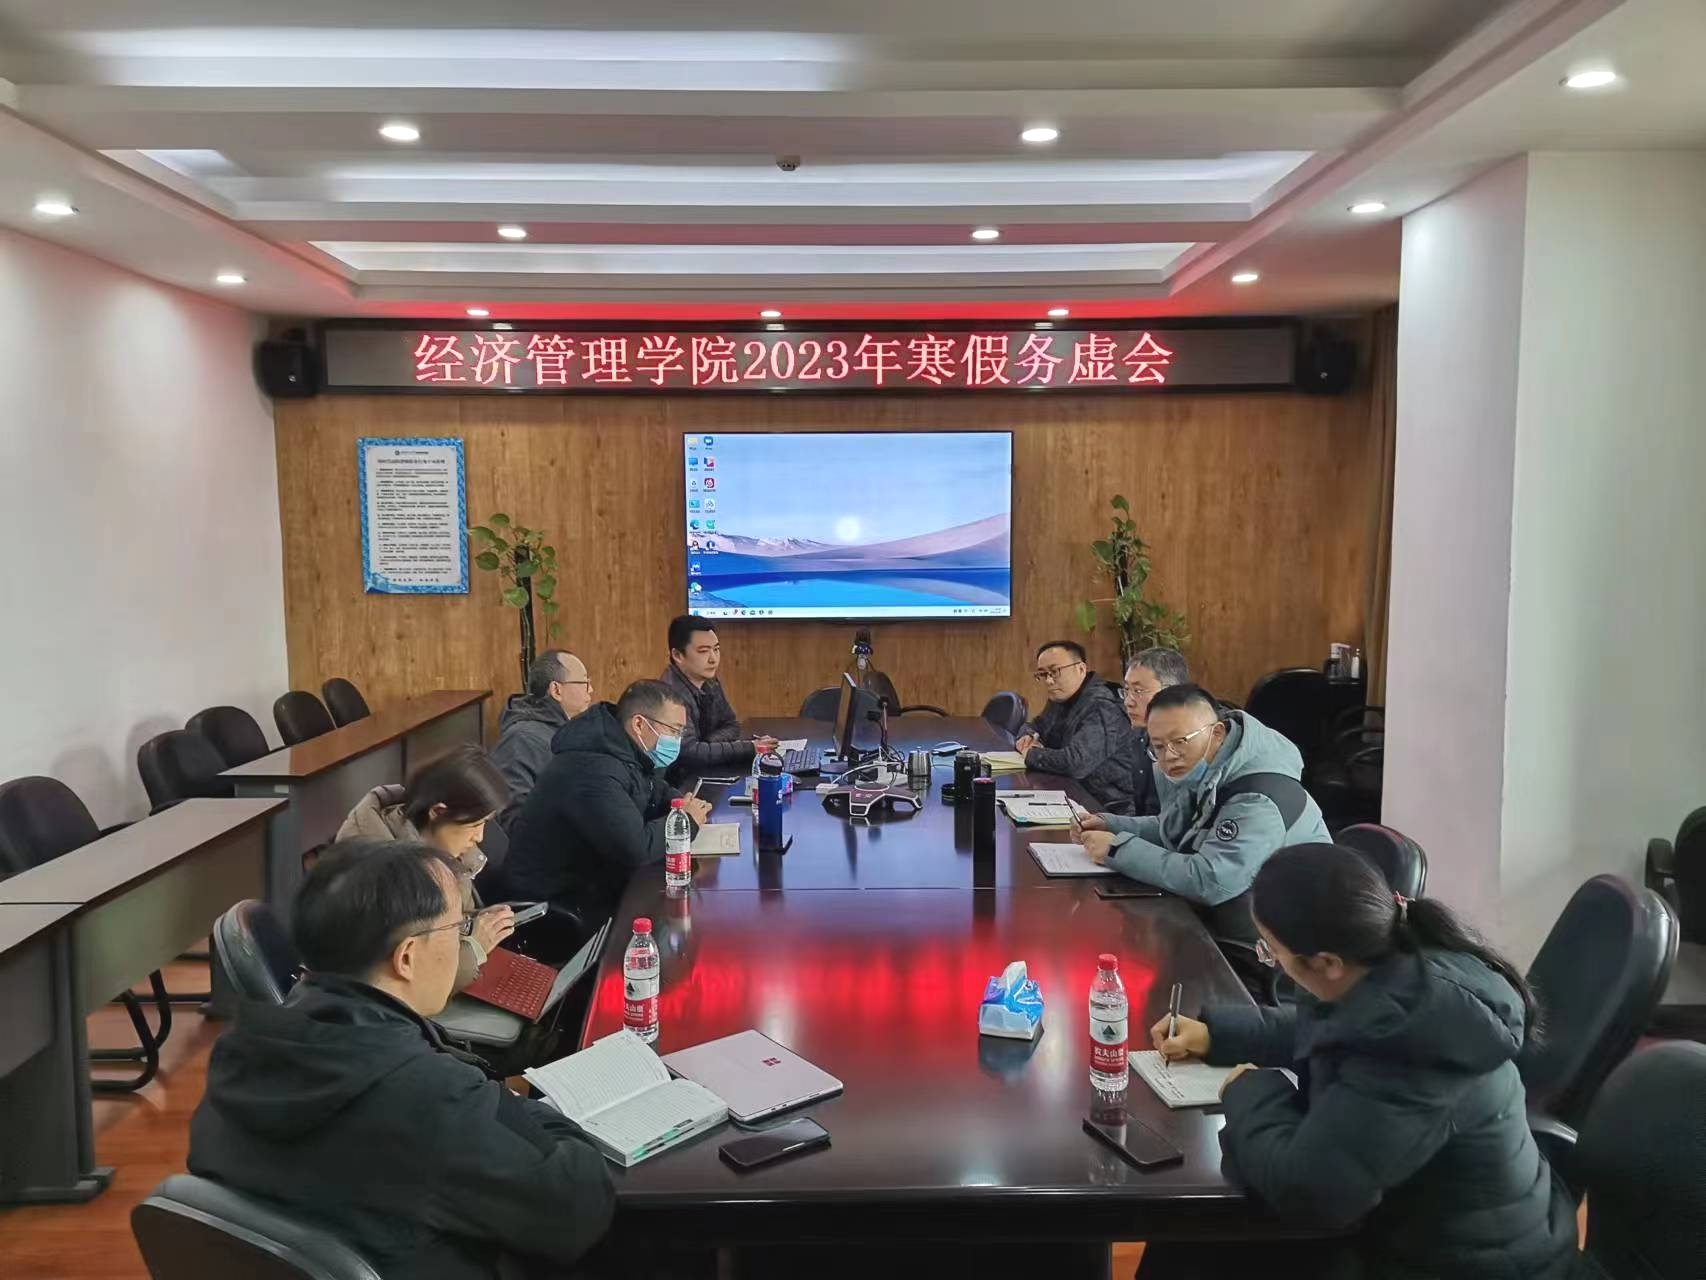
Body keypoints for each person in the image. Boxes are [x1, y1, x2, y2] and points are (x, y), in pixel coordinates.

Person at [1142, 844, 1576, 1280]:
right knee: (1189, 1242)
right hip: (1413, 1222)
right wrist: (1220, 1034)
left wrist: (1250, 1091)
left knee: (1200, 1245)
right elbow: (1335, 1028)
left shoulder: (1410, 1047)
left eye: (1270, 951)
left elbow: (1312, 1195)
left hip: (1461, 1261)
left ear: (1327, 963)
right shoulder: (1393, 965)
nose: (1270, 960)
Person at [188, 840, 615, 1280]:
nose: (463, 944)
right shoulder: (428, 1096)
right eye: (459, 928)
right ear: (407, 957)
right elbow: (578, 1209)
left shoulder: (239, 1052)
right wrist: (532, 1108)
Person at [1077, 683, 1329, 944]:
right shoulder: (1212, 767)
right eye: (1159, 747)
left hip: (1282, 942)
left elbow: (1211, 880)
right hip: (1235, 913)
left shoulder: (1257, 798)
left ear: (1217, 733)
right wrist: (1112, 825)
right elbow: (1174, 829)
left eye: (1180, 742)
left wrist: (1117, 850)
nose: (1169, 757)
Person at [506, 680, 712, 934]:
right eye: (674, 730)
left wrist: (678, 803)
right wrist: (686, 821)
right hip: (558, 909)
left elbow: (651, 787)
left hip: (594, 883)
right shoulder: (592, 769)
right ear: (639, 724)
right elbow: (637, 849)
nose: (678, 740)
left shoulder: (621, 749)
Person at [336, 744, 514, 992]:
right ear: (438, 812)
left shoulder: (440, 849)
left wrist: (478, 924)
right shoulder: (381, 871)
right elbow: (408, 983)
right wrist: (475, 948)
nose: (480, 837)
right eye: (475, 824)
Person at [1014, 640, 1138, 814]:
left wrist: (1031, 754)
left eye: (1055, 672)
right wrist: (1026, 735)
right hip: (1071, 795)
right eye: (1043, 674)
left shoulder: (1102, 705)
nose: (1048, 681)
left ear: (1080, 669)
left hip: (1107, 807)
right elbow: (1036, 725)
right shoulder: (1062, 696)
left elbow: (1075, 763)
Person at [659, 614, 777, 775]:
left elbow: (731, 725)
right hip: (679, 780)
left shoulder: (710, 681)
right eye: (703, 651)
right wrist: (749, 748)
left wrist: (708, 745)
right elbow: (689, 753)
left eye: (716, 649)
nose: (713, 659)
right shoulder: (670, 695)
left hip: (703, 770)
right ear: (678, 655)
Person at [491, 649, 593, 830]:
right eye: (584, 682)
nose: (591, 689)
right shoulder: (521, 740)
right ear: (556, 690)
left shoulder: (568, 729)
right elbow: (514, 818)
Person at [1120, 646, 1189, 817]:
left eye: (1138, 691)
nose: (1128, 702)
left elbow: (1176, 823)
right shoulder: (1140, 736)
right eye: (1126, 690)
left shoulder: (1191, 745)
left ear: (1171, 691)